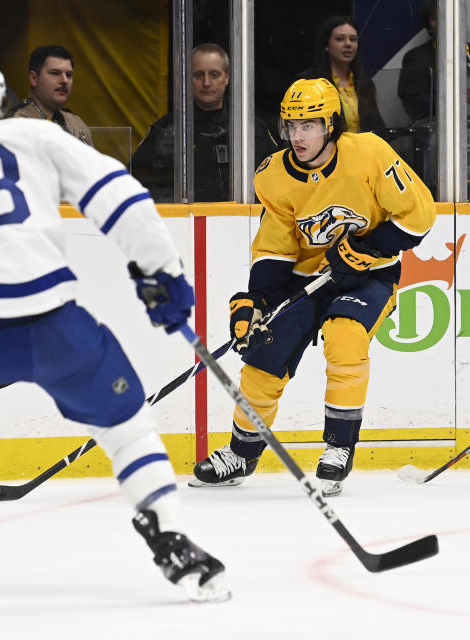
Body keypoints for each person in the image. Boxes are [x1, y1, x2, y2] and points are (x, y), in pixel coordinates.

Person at [0, 53, 228, 602]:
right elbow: (119, 196)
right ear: (3, 99)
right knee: (126, 424)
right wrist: (162, 273)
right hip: (51, 326)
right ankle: (172, 538)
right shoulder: (35, 137)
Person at [189, 77, 435, 497]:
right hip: (306, 279)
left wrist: (368, 246)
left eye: (308, 125)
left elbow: (419, 216)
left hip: (369, 274)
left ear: (331, 125)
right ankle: (242, 453)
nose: (297, 136)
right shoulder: (273, 176)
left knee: (345, 335)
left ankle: (339, 447)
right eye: (291, 126)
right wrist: (257, 301)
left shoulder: (370, 154)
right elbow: (276, 246)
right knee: (264, 355)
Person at [130, 43, 277, 202]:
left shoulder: (251, 127)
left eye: (214, 74)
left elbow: (278, 181)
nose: (206, 83)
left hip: (244, 222)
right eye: (199, 75)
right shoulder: (165, 130)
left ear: (227, 77)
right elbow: (134, 185)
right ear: (188, 78)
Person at [397, 1, 470, 124]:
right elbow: (414, 105)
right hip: (434, 136)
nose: (444, 23)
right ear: (429, 24)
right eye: (435, 18)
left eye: (449, 16)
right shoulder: (416, 59)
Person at [295, 16, 385, 135]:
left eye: (353, 39)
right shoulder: (310, 82)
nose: (348, 44)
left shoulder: (364, 83)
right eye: (340, 39)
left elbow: (378, 127)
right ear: (326, 45)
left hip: (363, 150)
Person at [10, 45, 92, 145]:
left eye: (69, 75)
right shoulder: (15, 124)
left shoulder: (77, 123)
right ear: (34, 79)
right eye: (55, 73)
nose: (65, 80)